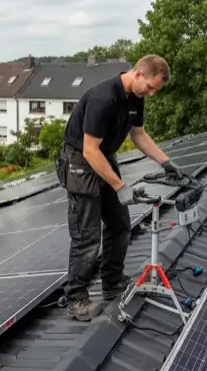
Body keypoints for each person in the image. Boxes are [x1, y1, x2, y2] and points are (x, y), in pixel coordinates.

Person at [55, 54, 184, 321]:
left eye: (155, 90)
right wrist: (119, 186)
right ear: (138, 74)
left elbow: (138, 134)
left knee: (120, 224)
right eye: (150, 87)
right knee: (87, 235)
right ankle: (76, 299)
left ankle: (112, 282)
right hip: (81, 162)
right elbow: (90, 151)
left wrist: (166, 162)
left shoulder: (136, 98)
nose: (151, 94)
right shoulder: (103, 98)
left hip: (103, 159)